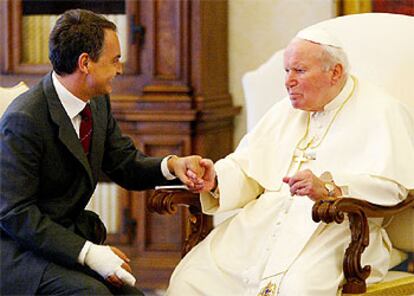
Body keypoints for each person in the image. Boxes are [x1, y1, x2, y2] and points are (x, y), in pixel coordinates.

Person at [167, 28, 414, 295]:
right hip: (263, 222)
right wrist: (216, 178)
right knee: (192, 277)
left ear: (335, 72)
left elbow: (395, 188)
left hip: (337, 229)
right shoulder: (284, 110)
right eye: (286, 71)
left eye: (299, 70)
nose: (288, 82)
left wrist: (330, 189)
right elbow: (247, 167)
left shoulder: (382, 111)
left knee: (298, 287)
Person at [0, 9, 208, 296]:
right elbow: (16, 214)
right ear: (85, 63)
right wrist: (89, 254)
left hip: (63, 241)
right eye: (115, 60)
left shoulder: (95, 104)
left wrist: (173, 166)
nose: (120, 68)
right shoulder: (24, 119)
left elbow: (124, 163)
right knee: (93, 294)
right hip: (19, 254)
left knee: (131, 294)